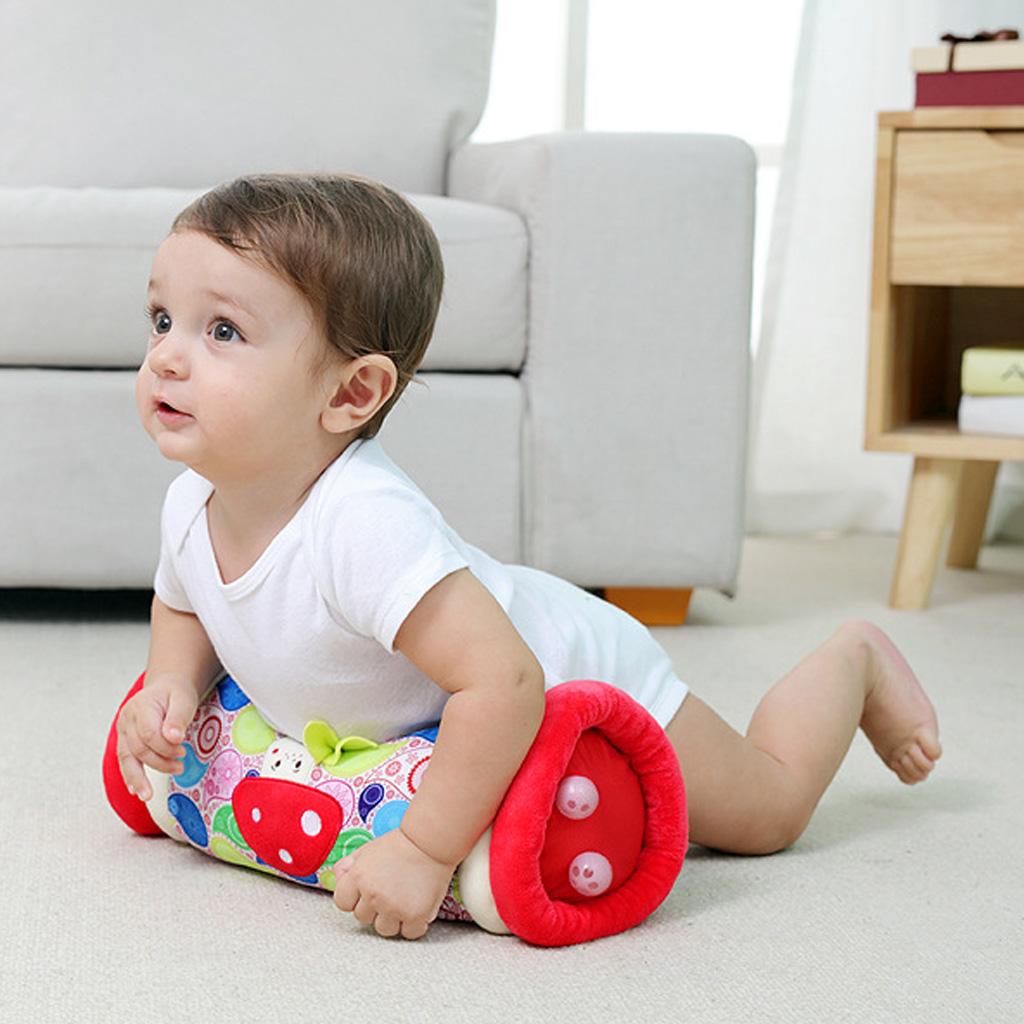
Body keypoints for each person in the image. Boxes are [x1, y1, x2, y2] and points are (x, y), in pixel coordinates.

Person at [117, 172, 942, 942]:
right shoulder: (192, 499)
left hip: (567, 667)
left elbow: (505, 683)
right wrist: (172, 683)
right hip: (461, 686)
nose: (167, 355)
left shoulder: (363, 523)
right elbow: (185, 601)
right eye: (163, 319)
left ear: (350, 394)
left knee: (766, 815)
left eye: (222, 330)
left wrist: (426, 850)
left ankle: (853, 660)